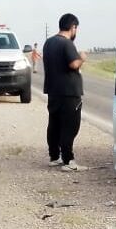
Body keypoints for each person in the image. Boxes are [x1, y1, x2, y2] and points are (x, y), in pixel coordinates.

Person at [42, 13, 87, 170]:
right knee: (70, 125)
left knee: (54, 124)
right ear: (73, 27)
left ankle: (54, 156)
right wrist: (82, 57)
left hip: (53, 90)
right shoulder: (66, 44)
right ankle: (68, 160)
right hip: (69, 92)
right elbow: (74, 64)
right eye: (76, 28)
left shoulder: (49, 43)